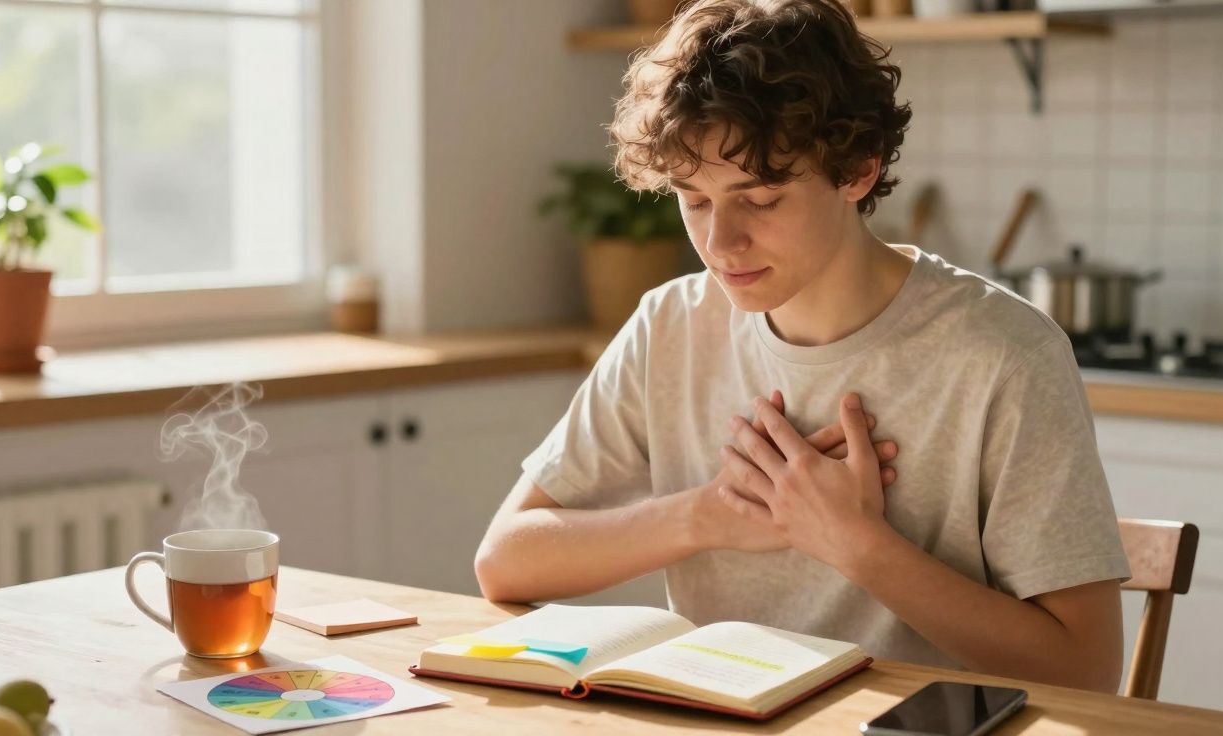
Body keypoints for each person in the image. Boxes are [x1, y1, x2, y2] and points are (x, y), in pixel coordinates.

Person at [475, 0, 1130, 692]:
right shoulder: (671, 325)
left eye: (759, 199)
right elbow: (505, 561)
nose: (720, 245)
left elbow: (1085, 671)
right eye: (694, 199)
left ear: (858, 170)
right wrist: (708, 515)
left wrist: (856, 544)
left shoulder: (1004, 354)